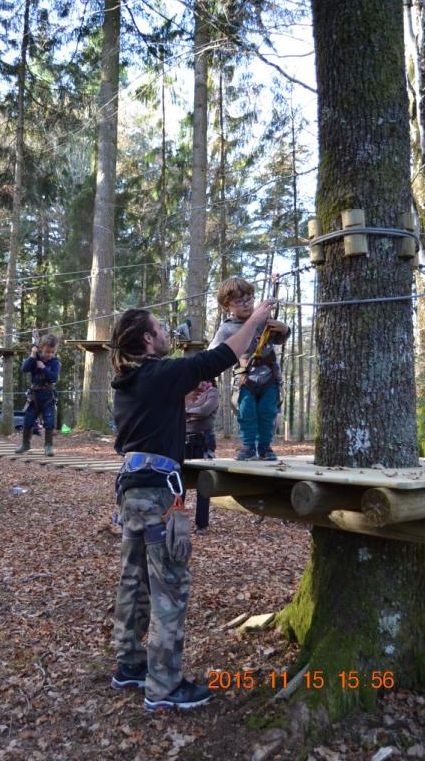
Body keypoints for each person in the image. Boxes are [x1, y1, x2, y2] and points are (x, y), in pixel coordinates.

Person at [110, 301, 274, 712]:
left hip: (132, 491)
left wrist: (177, 405)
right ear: (148, 339)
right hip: (157, 496)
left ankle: (130, 664)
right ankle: (164, 687)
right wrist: (254, 321)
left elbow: (143, 425)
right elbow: (221, 356)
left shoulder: (130, 382)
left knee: (135, 581)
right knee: (169, 588)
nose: (167, 331)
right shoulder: (160, 373)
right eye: (160, 327)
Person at [209, 276, 290, 462]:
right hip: (245, 379)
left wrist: (284, 329)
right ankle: (247, 447)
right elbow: (213, 352)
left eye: (249, 299)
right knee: (247, 412)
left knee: (267, 412)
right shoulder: (227, 329)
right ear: (226, 306)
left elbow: (278, 338)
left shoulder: (264, 320)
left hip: (270, 377)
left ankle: (264, 447)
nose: (246, 304)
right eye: (239, 301)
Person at [15, 333, 60, 457]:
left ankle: (48, 446)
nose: (49, 355)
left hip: (48, 396)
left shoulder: (55, 362)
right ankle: (25, 444)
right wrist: (32, 355)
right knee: (28, 420)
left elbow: (53, 378)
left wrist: (44, 368)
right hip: (34, 396)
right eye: (47, 352)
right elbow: (24, 369)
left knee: (49, 421)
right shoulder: (35, 359)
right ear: (41, 348)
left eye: (52, 352)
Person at [185, 380, 219, 535]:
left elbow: (205, 411)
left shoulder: (212, 393)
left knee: (203, 483)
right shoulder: (188, 393)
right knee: (179, 481)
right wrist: (192, 411)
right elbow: (177, 410)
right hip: (184, 439)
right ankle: (174, 519)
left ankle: (202, 525)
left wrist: (188, 412)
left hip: (204, 440)